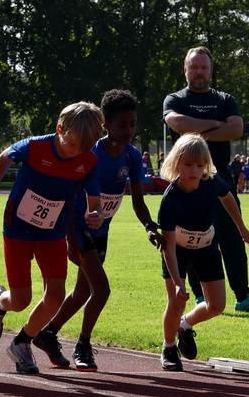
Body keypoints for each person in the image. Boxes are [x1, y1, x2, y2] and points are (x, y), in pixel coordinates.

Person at [32, 90, 163, 371]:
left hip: (100, 231)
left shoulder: (132, 155)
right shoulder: (91, 153)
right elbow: (68, 197)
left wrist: (150, 226)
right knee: (101, 290)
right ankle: (83, 344)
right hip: (79, 228)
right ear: (105, 124)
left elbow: (138, 201)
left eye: (132, 125)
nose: (128, 131)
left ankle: (46, 334)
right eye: (122, 125)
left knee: (81, 293)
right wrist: (69, 239)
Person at [0, 102, 103, 375]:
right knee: (21, 299)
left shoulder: (89, 160)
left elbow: (94, 202)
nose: (76, 153)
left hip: (53, 231)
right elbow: (4, 157)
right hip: (18, 227)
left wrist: (96, 215)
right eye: (72, 145)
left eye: (84, 147)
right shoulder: (35, 146)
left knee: (55, 296)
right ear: (59, 130)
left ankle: (21, 343)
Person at [163, 46, 249, 313]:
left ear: (211, 70)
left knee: (232, 236)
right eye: (194, 67)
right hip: (186, 181)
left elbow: (237, 128)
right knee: (193, 238)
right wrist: (215, 124)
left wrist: (195, 125)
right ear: (185, 69)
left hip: (219, 177)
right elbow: (176, 123)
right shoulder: (175, 98)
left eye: (204, 67)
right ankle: (199, 296)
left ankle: (243, 297)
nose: (199, 72)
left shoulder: (225, 98)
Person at [158, 134, 249, 371]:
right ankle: (169, 346)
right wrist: (179, 284)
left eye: (200, 165)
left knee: (217, 306)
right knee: (176, 302)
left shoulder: (211, 182)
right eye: (188, 164)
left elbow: (228, 198)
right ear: (176, 163)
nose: (194, 170)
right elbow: (168, 248)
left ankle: (185, 326)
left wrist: (241, 228)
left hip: (206, 248)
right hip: (177, 253)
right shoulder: (170, 199)